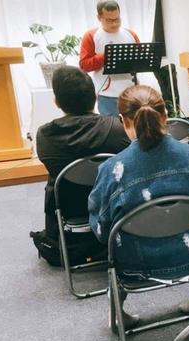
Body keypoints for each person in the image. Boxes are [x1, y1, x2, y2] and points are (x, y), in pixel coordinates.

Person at [88, 85, 189, 326]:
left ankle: (118, 314)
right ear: (165, 116)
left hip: (135, 266)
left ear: (123, 121)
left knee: (114, 247)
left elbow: (101, 231)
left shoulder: (112, 170)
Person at [34, 65, 129, 262]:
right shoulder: (117, 129)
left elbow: (53, 169)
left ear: (57, 102)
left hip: (69, 206)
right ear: (94, 98)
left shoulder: (45, 136)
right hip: (112, 203)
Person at [79, 0, 140, 116]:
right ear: (99, 18)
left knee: (134, 129)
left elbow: (140, 61)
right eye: (109, 20)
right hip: (107, 95)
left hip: (131, 92)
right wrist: (107, 55)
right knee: (111, 130)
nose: (114, 24)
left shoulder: (130, 34)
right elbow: (84, 65)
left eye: (117, 19)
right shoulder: (91, 35)